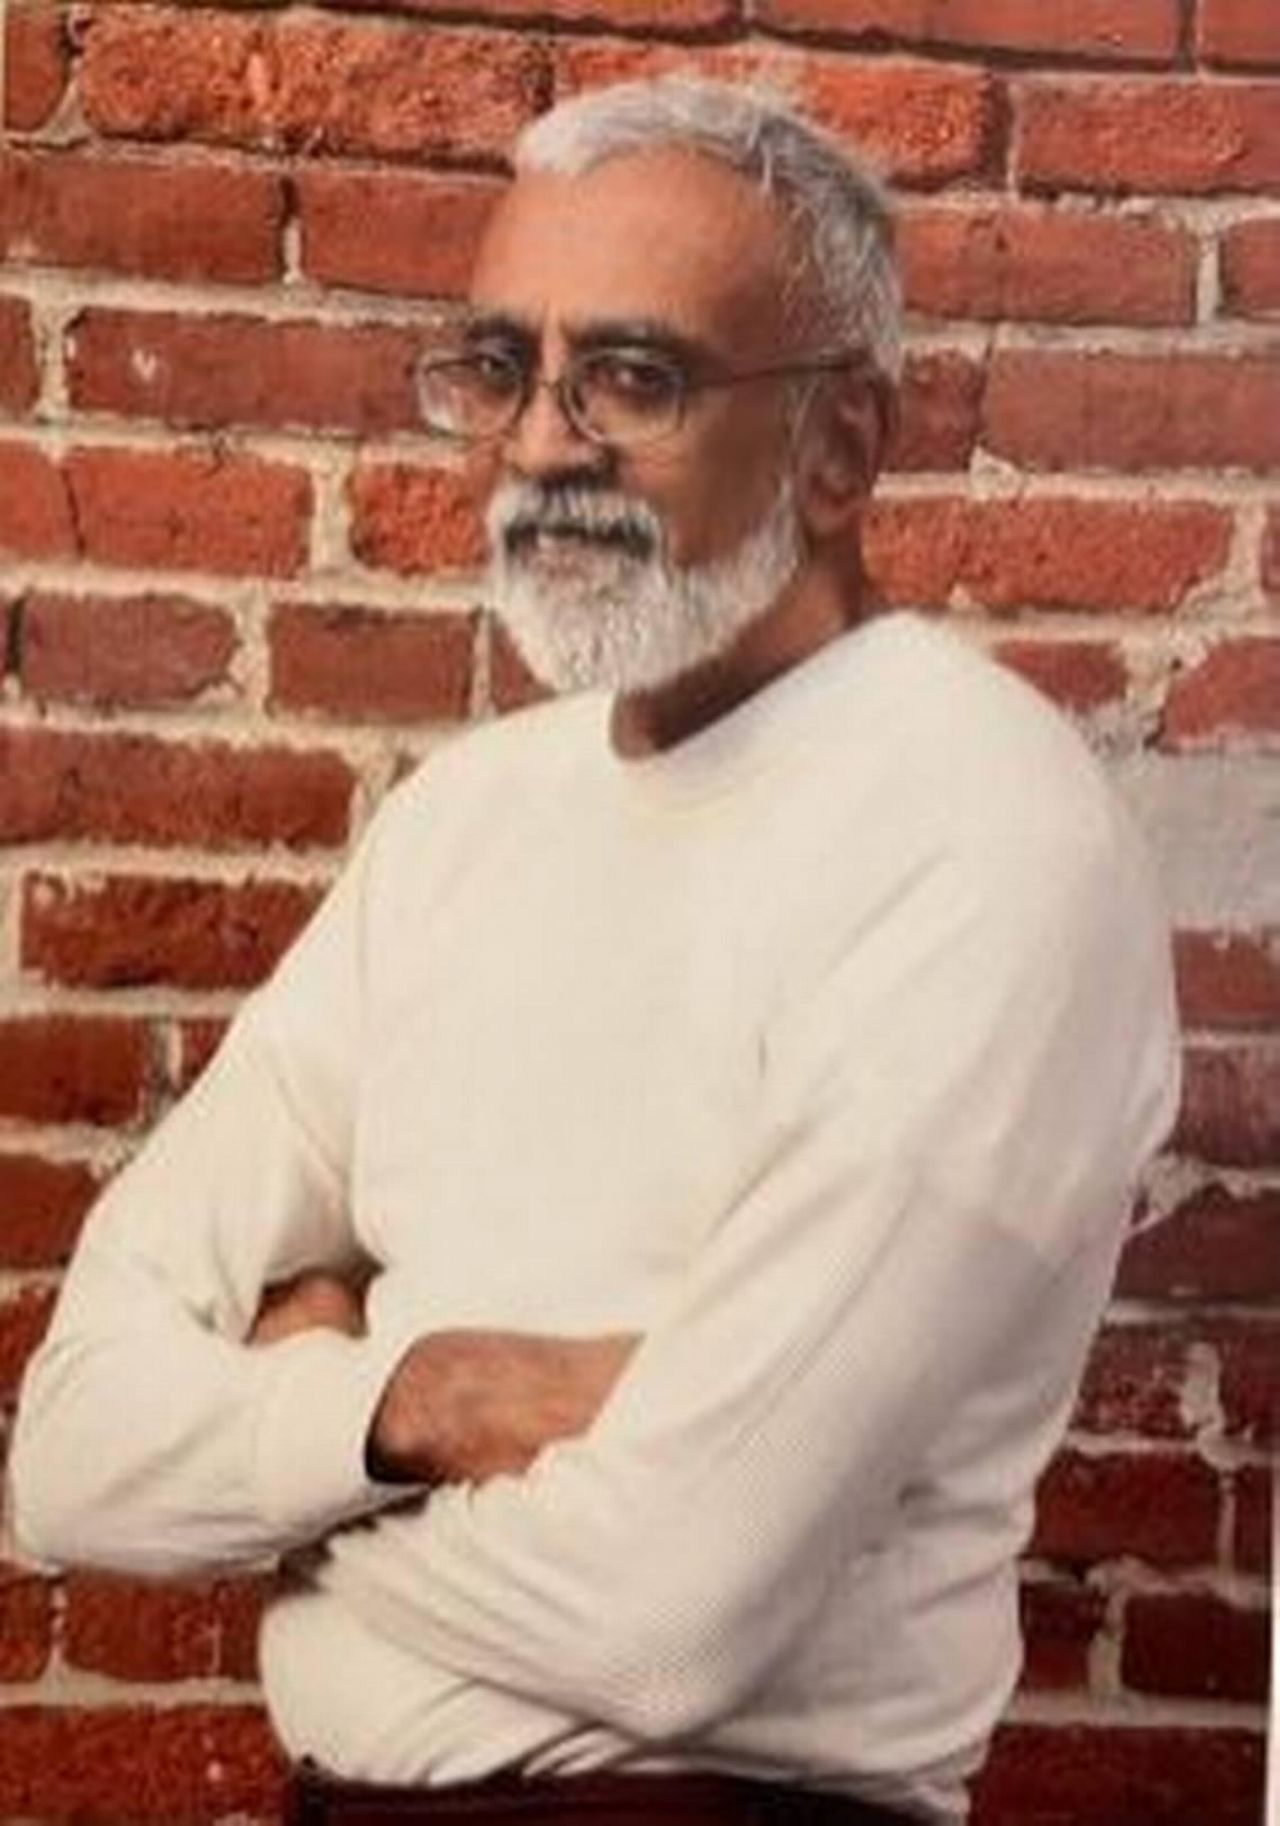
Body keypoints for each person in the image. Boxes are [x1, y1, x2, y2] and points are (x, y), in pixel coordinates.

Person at [10, 77, 1180, 1826]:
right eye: (503, 368)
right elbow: (68, 1455)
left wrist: (281, 1517)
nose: (543, 444)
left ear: (843, 444)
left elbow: (668, 1618)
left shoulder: (981, 827)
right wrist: (410, 1399)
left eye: (634, 376)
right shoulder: (463, 820)